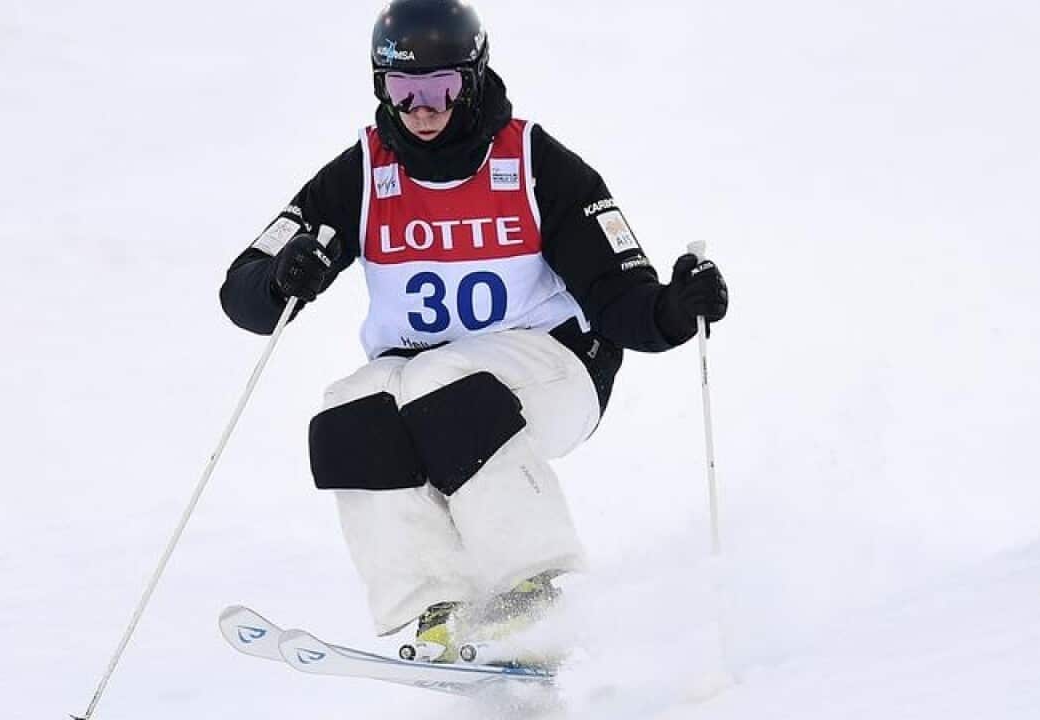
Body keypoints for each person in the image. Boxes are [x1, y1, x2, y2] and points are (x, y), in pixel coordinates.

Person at [219, 0, 728, 665]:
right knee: (349, 407)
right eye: (402, 89)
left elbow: (620, 297)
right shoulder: (362, 175)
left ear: (475, 78)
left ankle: (537, 589)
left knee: (441, 379)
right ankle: (442, 608)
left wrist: (673, 308)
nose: (421, 108)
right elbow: (245, 290)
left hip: (557, 371)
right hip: (429, 388)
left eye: (440, 87)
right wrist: (282, 278)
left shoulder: (536, 162)